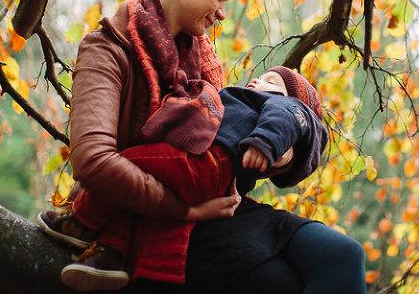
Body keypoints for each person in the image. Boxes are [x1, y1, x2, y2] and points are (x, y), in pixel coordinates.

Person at [41, 0, 366, 293]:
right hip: (156, 219)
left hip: (218, 207)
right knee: (281, 283)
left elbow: (221, 152)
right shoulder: (108, 50)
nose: (223, 11)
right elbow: (93, 162)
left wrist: (284, 153)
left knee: (343, 255)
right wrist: (187, 210)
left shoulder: (204, 62)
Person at [39, 66, 328, 291]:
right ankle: (111, 257)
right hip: (206, 166)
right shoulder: (249, 102)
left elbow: (284, 119)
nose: (257, 82)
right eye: (260, 77)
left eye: (271, 82)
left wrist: (265, 142)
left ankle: (82, 222)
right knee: (134, 197)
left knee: (125, 165)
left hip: (210, 162)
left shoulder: (287, 108)